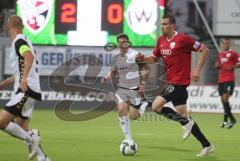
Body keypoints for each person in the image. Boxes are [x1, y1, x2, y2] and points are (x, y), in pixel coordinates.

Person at [138, 15, 214, 157]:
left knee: (156, 107)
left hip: (178, 82)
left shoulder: (183, 39)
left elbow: (205, 49)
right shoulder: (161, 40)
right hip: (173, 82)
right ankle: (207, 144)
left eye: (165, 24)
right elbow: (154, 58)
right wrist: (142, 59)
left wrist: (197, 70)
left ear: (172, 25)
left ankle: (143, 103)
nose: (163, 26)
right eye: (162, 24)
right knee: (183, 118)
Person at [0, 15, 50, 161]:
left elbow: (28, 56)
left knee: (2, 122)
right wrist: (3, 84)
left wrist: (24, 78)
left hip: (25, 91)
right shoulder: (27, 40)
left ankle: (32, 139)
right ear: (22, 26)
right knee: (19, 127)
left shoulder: (19, 41)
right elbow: (20, 70)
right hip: (30, 91)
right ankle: (43, 158)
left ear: (9, 27)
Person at [101, 33, 149, 141]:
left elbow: (146, 69)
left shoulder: (137, 55)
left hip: (135, 88)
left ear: (128, 43)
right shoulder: (115, 57)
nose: (122, 44)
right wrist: (106, 78)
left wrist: (143, 85)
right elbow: (114, 71)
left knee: (133, 116)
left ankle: (143, 106)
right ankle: (128, 139)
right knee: (121, 110)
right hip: (122, 88)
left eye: (124, 42)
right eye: (120, 42)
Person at [215, 38, 240, 129]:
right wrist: (217, 65)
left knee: (225, 99)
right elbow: (217, 64)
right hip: (221, 80)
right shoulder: (220, 54)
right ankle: (226, 120)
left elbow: (239, 63)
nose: (226, 45)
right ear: (222, 44)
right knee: (223, 101)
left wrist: (233, 66)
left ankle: (231, 120)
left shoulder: (234, 54)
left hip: (229, 80)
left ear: (229, 44)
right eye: (224, 43)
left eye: (227, 43)